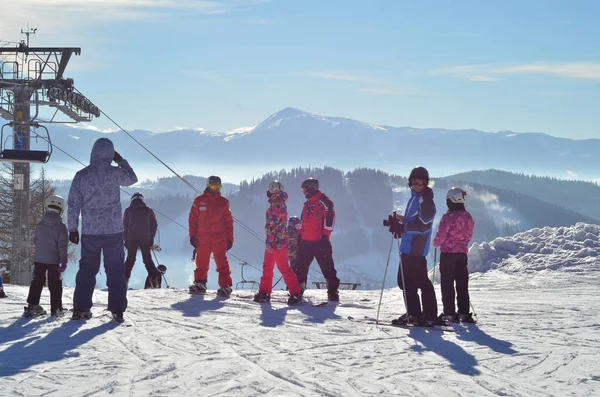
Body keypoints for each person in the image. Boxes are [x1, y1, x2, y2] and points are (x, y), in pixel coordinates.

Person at [68, 138, 137, 322]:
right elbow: (132, 178)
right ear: (111, 153)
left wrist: (73, 228)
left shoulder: (82, 175)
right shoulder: (115, 173)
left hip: (90, 230)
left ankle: (81, 308)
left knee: (87, 269)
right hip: (113, 230)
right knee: (115, 269)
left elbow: (73, 204)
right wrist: (120, 160)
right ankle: (117, 309)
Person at [387, 166, 439, 325]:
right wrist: (401, 220)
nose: (416, 185)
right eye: (413, 182)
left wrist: (402, 227)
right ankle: (427, 314)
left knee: (406, 282)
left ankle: (415, 314)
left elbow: (423, 227)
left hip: (414, 248)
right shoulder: (416, 198)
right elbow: (416, 221)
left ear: (426, 183)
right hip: (412, 247)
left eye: (420, 182)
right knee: (420, 281)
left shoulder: (426, 201)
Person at [253, 181, 303, 305]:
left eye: (270, 189)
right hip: (279, 241)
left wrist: (270, 242)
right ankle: (294, 292)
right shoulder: (280, 203)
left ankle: (269, 292)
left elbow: (273, 226)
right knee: (276, 267)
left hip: (275, 242)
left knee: (276, 267)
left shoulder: (275, 205)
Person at [433, 187, 476, 323]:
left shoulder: (448, 217)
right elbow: (469, 236)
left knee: (447, 284)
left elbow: (440, 236)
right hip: (462, 254)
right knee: (462, 284)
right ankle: (464, 313)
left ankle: (449, 313)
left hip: (448, 254)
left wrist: (435, 243)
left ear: (451, 200)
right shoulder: (468, 217)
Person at [293, 178, 340, 301]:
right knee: (300, 267)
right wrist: (300, 236)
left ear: (312, 187)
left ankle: (333, 292)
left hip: (320, 242)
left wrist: (325, 237)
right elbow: (304, 222)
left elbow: (330, 221)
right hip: (306, 241)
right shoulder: (307, 204)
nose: (304, 192)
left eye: (305, 189)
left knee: (328, 268)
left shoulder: (325, 202)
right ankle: (298, 291)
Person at [23, 195, 69, 317]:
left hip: (39, 259)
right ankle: (56, 308)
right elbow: (62, 246)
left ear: (47, 208)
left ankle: (32, 306)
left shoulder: (40, 225)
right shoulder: (61, 227)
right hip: (54, 260)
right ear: (60, 210)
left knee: (37, 281)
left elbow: (35, 240)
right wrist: (63, 259)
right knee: (55, 283)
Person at [188, 176, 234, 297]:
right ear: (208, 186)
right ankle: (200, 283)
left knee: (221, 262)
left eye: (218, 186)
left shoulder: (223, 202)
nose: (216, 189)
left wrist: (230, 239)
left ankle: (225, 285)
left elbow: (229, 222)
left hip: (219, 238)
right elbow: (192, 219)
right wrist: (192, 235)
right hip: (202, 238)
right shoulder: (199, 201)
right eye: (213, 186)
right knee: (201, 261)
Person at [123, 192, 161, 289]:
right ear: (142, 200)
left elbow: (124, 226)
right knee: (147, 259)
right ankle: (154, 280)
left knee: (130, 259)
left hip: (131, 238)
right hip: (145, 238)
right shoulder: (149, 210)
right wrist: (151, 239)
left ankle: (124, 280)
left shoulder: (128, 210)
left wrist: (125, 240)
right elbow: (154, 225)